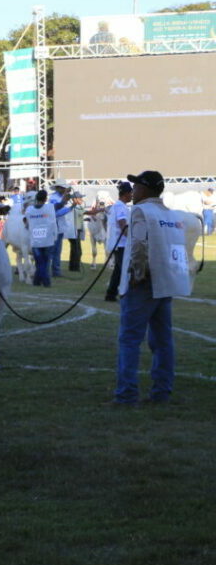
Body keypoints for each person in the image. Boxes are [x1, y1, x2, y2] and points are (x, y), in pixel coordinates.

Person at [112, 171, 191, 405]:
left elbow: (138, 245)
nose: (132, 190)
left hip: (144, 283)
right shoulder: (172, 214)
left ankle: (126, 394)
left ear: (144, 189)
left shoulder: (140, 211)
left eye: (136, 186)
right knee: (163, 340)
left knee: (129, 340)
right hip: (166, 282)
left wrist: (137, 273)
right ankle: (162, 391)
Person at [104, 181, 133, 302]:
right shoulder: (121, 207)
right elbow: (123, 225)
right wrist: (132, 239)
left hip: (117, 243)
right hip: (121, 244)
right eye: (131, 193)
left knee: (118, 269)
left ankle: (111, 294)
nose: (132, 195)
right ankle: (126, 294)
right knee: (125, 269)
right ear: (126, 193)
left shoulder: (117, 205)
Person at [24, 190, 57, 287]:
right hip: (47, 239)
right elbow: (53, 222)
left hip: (35, 239)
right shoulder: (49, 208)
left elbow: (27, 222)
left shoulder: (30, 210)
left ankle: (36, 281)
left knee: (39, 262)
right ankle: (46, 282)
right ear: (46, 199)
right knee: (45, 262)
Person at [49, 179, 74, 277]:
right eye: (63, 188)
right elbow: (57, 213)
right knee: (53, 250)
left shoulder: (60, 197)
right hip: (55, 226)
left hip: (59, 226)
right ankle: (54, 270)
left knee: (57, 250)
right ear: (58, 188)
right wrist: (70, 208)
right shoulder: (54, 198)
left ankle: (56, 270)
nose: (65, 190)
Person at [66, 191, 86, 272]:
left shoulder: (75, 207)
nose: (82, 199)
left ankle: (72, 267)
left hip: (74, 230)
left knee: (74, 249)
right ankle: (75, 268)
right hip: (74, 231)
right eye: (80, 198)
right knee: (78, 250)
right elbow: (86, 212)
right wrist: (98, 210)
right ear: (75, 199)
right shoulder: (76, 208)